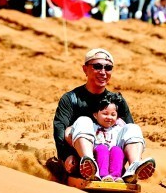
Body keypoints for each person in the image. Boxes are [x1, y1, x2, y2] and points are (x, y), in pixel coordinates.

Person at [53, 48, 156, 183]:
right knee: (83, 121)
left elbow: (128, 133)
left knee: (133, 128)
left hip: (113, 155)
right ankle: (89, 164)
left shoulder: (116, 100)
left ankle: (133, 167)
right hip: (80, 154)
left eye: (108, 68)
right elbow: (59, 128)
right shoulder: (71, 98)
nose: (103, 72)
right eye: (97, 66)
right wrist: (66, 156)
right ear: (85, 69)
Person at [78, 92, 126, 182]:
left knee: (117, 150)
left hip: (112, 157)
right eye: (105, 113)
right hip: (97, 156)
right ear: (95, 115)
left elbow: (127, 131)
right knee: (102, 149)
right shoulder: (92, 126)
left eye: (113, 114)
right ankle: (103, 175)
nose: (109, 117)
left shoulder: (118, 128)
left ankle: (115, 176)